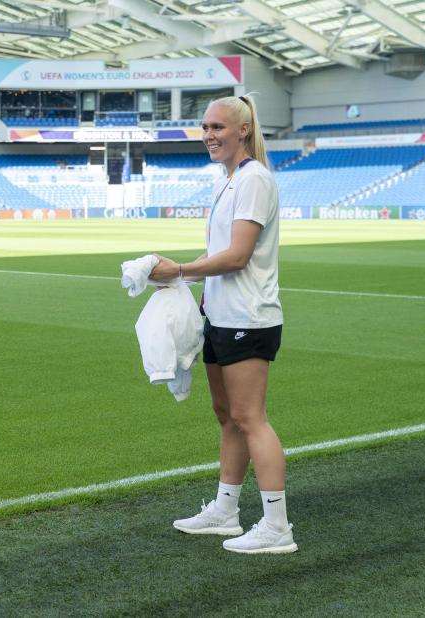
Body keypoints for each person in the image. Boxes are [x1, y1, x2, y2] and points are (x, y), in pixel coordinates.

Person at [150, 93, 297, 554]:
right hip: (221, 315)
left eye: (218, 127)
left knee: (250, 418)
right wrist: (185, 283)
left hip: (248, 319)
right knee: (227, 416)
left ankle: (277, 526)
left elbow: (236, 257)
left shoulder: (254, 179)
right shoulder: (228, 180)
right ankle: (225, 510)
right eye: (205, 127)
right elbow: (218, 255)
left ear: (243, 130)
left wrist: (179, 270)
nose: (209, 135)